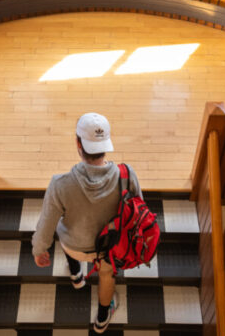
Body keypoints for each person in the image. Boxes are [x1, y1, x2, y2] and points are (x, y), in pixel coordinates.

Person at [31, 112, 142, 333]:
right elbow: (139, 211)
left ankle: (77, 277)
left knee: (66, 234)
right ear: (106, 144)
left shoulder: (59, 184)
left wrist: (39, 249)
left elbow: (46, 224)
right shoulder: (126, 175)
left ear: (78, 144)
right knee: (106, 275)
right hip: (108, 250)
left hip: (74, 246)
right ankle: (101, 319)